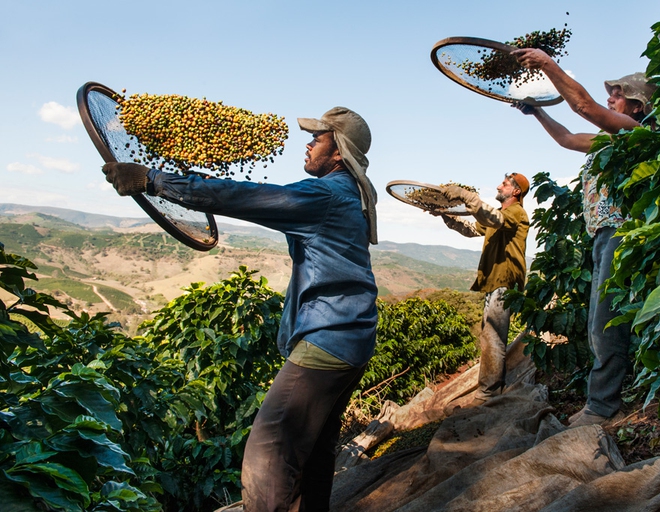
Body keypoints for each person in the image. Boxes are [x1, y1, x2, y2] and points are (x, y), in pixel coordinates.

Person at [102, 106, 378, 512]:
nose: (308, 144)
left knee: (271, 451)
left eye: (317, 138)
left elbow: (245, 197)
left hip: (329, 340)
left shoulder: (325, 195)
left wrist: (154, 180)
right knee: (315, 448)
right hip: (354, 335)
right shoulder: (348, 193)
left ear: (338, 152)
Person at [510, 48, 656, 427]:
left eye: (619, 95)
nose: (610, 98)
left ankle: (603, 407)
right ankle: (599, 402)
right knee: (598, 321)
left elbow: (585, 108)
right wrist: (537, 112)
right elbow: (568, 138)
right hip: (603, 235)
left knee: (607, 322)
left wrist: (546, 63)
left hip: (623, 232)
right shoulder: (611, 141)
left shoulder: (637, 133)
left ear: (638, 107)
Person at [439, 173, 530, 406]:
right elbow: (472, 228)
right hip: (494, 281)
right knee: (489, 336)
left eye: (505, 184)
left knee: (493, 337)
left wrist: (466, 195)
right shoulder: (497, 215)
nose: (499, 186)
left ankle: (488, 393)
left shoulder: (516, 213)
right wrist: (446, 216)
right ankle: (490, 389)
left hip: (505, 281)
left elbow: (494, 218)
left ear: (516, 191)